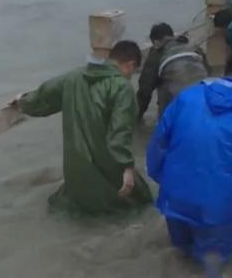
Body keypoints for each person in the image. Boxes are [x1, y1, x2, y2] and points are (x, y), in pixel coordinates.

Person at [146, 52, 232, 268]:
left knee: (178, 259)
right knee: (212, 272)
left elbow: (158, 144)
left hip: (175, 201)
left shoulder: (186, 96)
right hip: (215, 212)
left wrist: (163, 179)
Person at [11, 40, 153, 217]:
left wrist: (23, 101)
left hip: (75, 173)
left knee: (78, 208)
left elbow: (43, 96)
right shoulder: (122, 88)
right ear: (130, 65)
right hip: (107, 170)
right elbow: (120, 132)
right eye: (132, 71)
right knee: (141, 202)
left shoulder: (73, 77)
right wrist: (128, 168)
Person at [136, 22, 209, 122]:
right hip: (206, 102)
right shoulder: (194, 48)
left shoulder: (157, 54)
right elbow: (208, 73)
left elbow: (145, 89)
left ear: (156, 42)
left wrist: (138, 116)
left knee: (163, 83)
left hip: (179, 106)